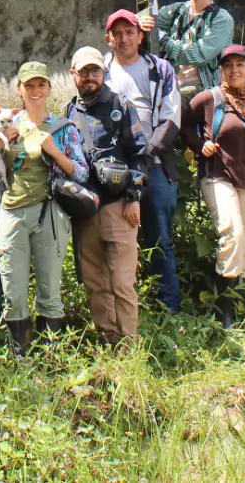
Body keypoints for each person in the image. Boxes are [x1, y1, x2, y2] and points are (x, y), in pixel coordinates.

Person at [0, 61, 86, 351]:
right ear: (19, 89)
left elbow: (81, 173)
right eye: (28, 85)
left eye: (40, 85)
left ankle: (52, 356)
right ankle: (20, 356)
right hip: (11, 212)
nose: (35, 91)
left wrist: (55, 151)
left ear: (49, 88)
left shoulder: (61, 128)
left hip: (49, 214)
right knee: (13, 291)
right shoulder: (7, 124)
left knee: (49, 289)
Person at [101, 10, 183, 313]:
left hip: (156, 165)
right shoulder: (101, 70)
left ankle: (168, 305)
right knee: (116, 242)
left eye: (129, 32)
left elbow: (171, 117)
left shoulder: (159, 69)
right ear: (109, 37)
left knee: (160, 237)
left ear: (140, 35)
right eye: (117, 33)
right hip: (114, 171)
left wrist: (145, 154)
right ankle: (124, 309)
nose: (123, 39)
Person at [67, 46, 148, 341]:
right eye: (84, 71)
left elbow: (140, 153)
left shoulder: (121, 105)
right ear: (73, 74)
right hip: (85, 210)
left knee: (123, 281)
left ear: (104, 73)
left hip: (119, 206)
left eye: (95, 70)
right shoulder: (69, 112)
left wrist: (133, 197)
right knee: (94, 280)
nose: (90, 77)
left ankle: (130, 342)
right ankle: (108, 339)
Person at [185, 46, 245, 319]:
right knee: (232, 234)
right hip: (218, 175)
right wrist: (201, 144)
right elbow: (183, 124)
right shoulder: (210, 98)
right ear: (221, 70)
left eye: (240, 65)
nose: (234, 70)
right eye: (229, 65)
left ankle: (242, 302)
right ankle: (224, 310)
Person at [138, 0, 234, 101]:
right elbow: (141, 17)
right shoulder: (176, 11)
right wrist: (141, 20)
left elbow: (198, 55)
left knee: (170, 103)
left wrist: (163, 39)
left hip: (205, 90)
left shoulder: (221, 19)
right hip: (171, 84)